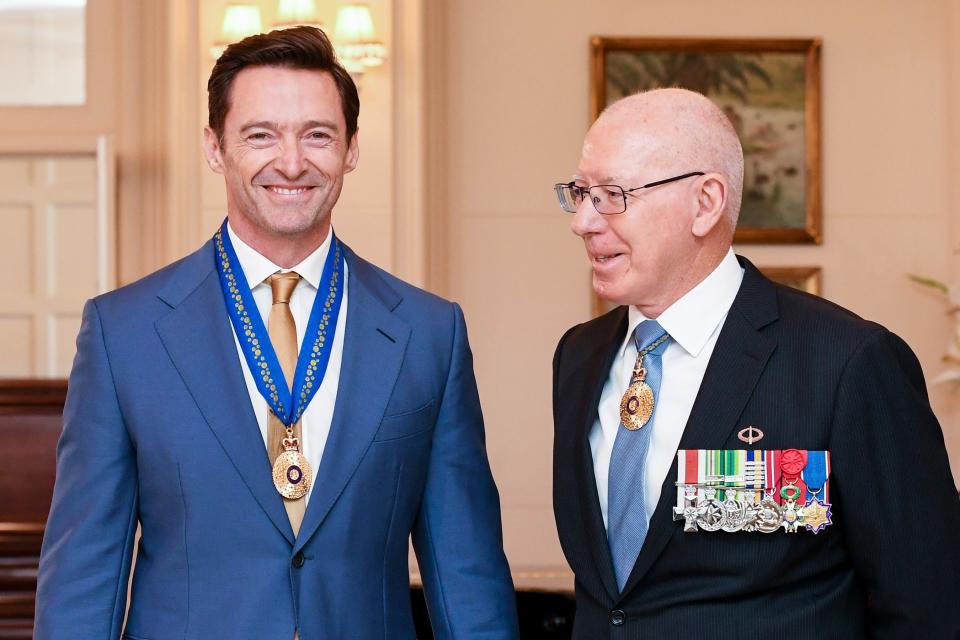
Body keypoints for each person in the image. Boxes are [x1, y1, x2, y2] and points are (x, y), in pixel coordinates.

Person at [35, 26, 518, 639]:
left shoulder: (429, 332)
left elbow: (466, 571)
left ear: (351, 149)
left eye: (317, 135)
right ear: (215, 147)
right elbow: (84, 576)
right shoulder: (122, 333)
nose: (291, 162)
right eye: (260, 135)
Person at [551, 87, 960, 637]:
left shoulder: (848, 363)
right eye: (580, 192)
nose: (583, 221)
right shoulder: (579, 356)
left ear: (706, 203)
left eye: (612, 194)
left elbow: (927, 606)